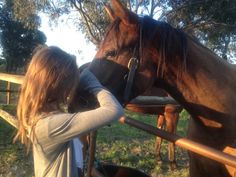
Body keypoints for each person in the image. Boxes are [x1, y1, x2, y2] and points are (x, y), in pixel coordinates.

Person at [14, 46, 124, 177]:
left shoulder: (40, 114)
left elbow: (76, 157)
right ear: (59, 85)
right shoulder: (51, 125)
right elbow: (114, 110)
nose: (73, 87)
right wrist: (91, 82)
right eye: (71, 83)